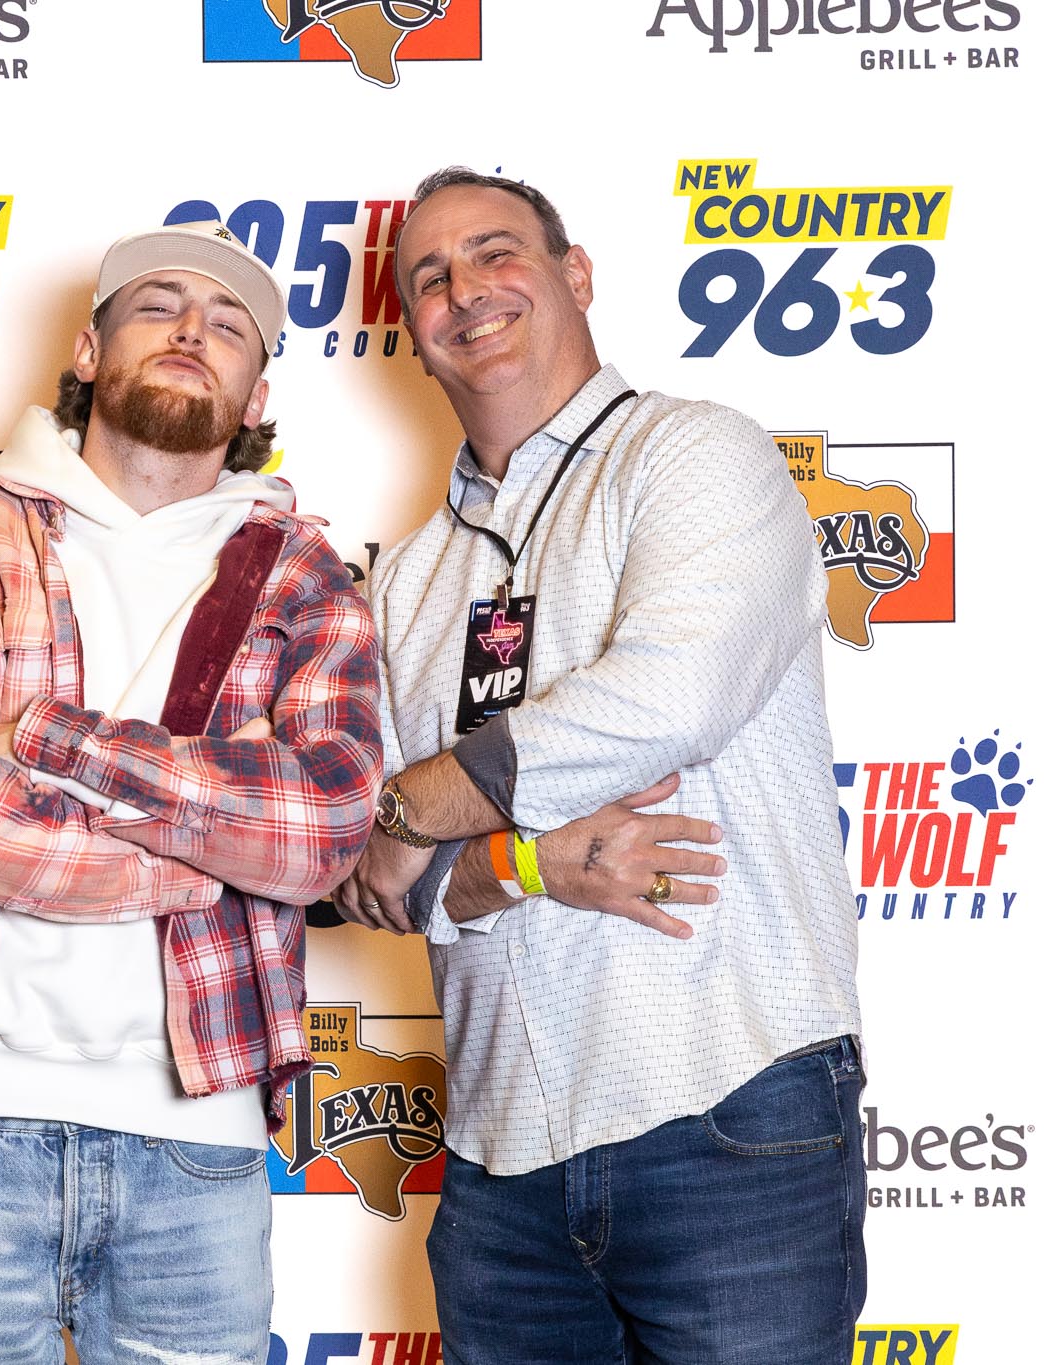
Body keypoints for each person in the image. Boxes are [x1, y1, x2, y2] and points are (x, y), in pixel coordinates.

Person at [0, 220, 382, 1365]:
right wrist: (188, 853)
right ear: (87, 351)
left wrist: (45, 738)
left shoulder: (300, 573)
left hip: (197, 1141)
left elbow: (321, 826)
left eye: (227, 326)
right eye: (157, 307)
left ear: (256, 391)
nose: (191, 331)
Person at [335, 168, 864, 1365]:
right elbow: (370, 873)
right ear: (412, 331)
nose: (467, 290)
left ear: (573, 275)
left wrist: (419, 805)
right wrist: (521, 861)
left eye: (496, 253)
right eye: (430, 277)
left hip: (726, 1107)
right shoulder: (404, 579)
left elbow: (670, 698)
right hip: (496, 1167)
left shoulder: (694, 453)